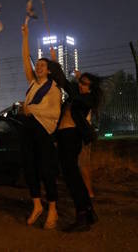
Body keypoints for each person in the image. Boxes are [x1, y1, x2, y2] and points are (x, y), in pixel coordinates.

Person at [19, 23, 63, 229]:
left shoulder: (53, 89)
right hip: (28, 130)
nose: (37, 67)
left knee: (47, 172)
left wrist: (32, 109)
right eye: (37, 65)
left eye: (42, 65)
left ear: (49, 69)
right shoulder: (32, 83)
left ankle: (53, 210)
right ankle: (37, 205)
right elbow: (24, 59)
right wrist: (25, 36)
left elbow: (55, 113)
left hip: (43, 133)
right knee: (30, 170)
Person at [56, 72, 102, 232]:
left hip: (71, 136)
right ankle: (89, 212)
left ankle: (82, 217)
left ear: (91, 88)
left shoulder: (87, 99)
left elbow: (73, 92)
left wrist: (74, 82)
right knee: (73, 177)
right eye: (80, 82)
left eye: (84, 83)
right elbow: (67, 85)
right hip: (63, 135)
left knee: (72, 179)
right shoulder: (76, 96)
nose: (80, 85)